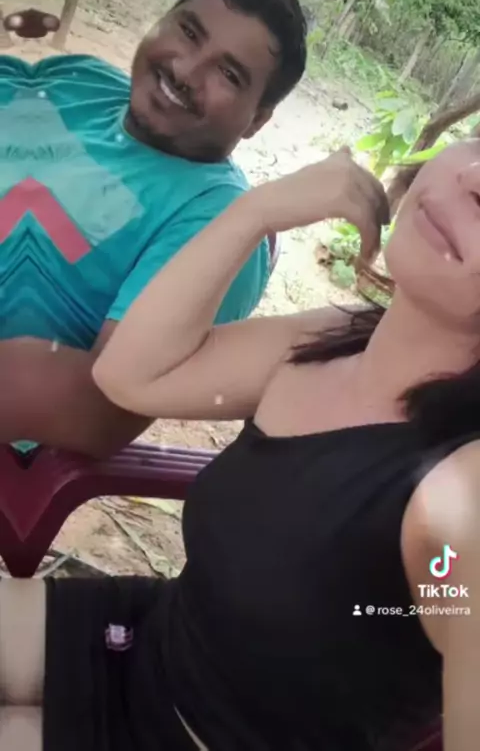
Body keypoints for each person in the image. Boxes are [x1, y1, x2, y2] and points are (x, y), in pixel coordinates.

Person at [1, 142, 478, 750]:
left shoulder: (461, 491)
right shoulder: (336, 337)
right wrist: (257, 211)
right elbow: (130, 375)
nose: (475, 177)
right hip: (147, 640)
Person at [0, 0, 307, 457]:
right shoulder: (83, 81)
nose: (185, 71)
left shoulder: (218, 230)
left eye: (228, 74)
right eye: (188, 31)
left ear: (257, 120)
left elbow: (98, 411)